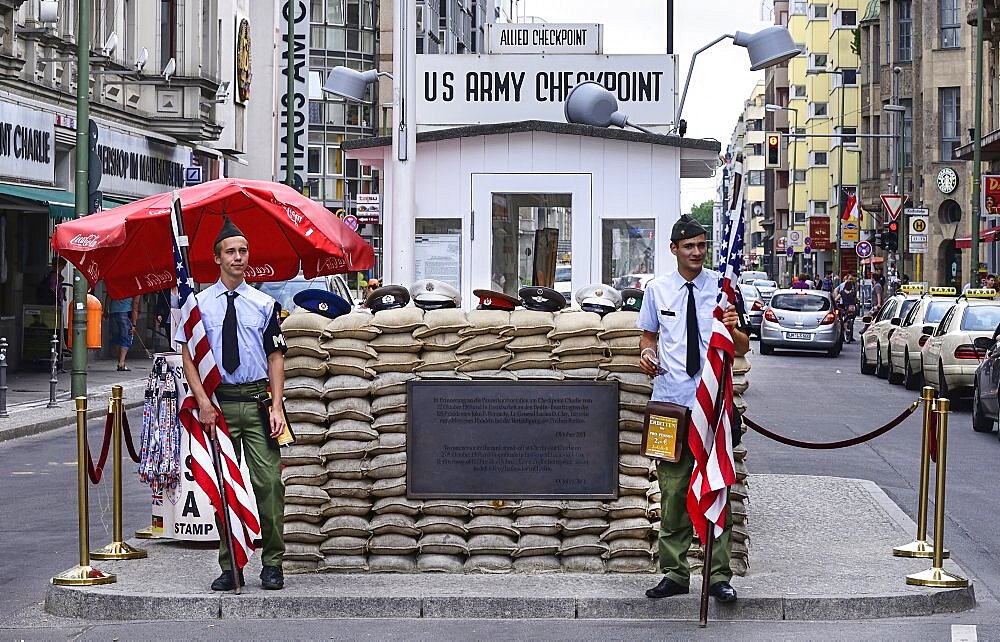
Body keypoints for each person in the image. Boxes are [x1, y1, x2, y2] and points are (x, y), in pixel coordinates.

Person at [637, 214, 750, 605]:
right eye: (689, 247)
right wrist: (647, 354)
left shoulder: (722, 288)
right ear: (674, 249)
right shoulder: (657, 290)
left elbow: (741, 347)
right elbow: (648, 337)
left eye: (702, 246)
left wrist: (733, 326)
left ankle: (718, 576)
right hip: (670, 405)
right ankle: (673, 572)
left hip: (713, 407)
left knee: (717, 487)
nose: (697, 253)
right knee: (672, 492)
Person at [177, 218, 288, 592]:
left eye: (243, 251)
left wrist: (278, 406)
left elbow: (276, 357)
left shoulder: (264, 304)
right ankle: (231, 565)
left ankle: (273, 562)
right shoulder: (199, 306)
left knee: (269, 483)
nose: (238, 257)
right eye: (231, 251)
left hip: (257, 403)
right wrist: (203, 402)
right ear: (217, 258)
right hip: (219, 404)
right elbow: (189, 356)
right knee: (223, 487)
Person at [105, 295, 140, 371]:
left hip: (113, 312)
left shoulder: (117, 283)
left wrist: (106, 309)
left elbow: (109, 296)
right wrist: (134, 324)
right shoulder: (136, 287)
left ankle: (120, 362)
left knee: (116, 338)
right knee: (127, 337)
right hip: (125, 313)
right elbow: (135, 305)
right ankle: (121, 363)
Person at [836, 275, 859, 342]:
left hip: (845, 308)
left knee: (841, 320)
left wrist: (836, 302)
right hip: (853, 309)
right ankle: (850, 336)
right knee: (851, 320)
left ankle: (842, 334)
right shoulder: (853, 292)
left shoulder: (842, 292)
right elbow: (856, 300)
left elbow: (836, 298)